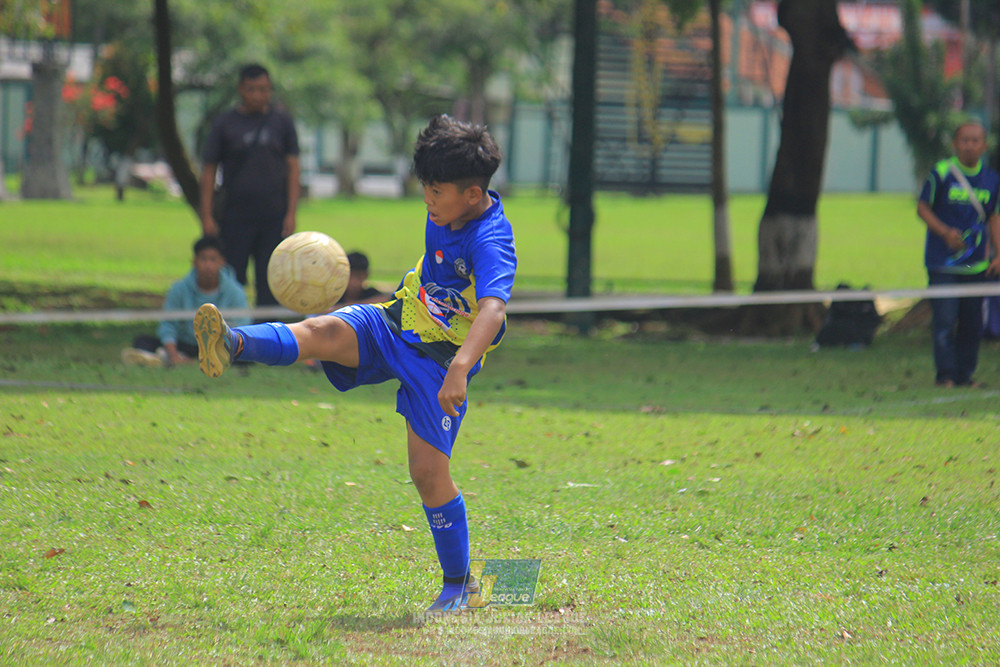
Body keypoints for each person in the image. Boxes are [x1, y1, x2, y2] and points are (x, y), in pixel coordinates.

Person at [192, 115, 515, 612]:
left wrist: (460, 368)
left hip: (441, 360)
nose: (427, 199)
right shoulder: (447, 208)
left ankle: (460, 584)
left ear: (473, 195)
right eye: (425, 186)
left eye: (436, 190)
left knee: (427, 474)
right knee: (323, 330)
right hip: (399, 320)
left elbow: (493, 308)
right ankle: (232, 343)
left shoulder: (490, 240)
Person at [199, 63, 300, 307]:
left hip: (274, 216)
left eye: (264, 89)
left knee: (272, 282)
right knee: (232, 279)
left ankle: (267, 339)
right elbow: (209, 169)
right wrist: (207, 216)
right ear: (241, 89)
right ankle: (231, 337)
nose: (258, 95)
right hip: (235, 216)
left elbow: (293, 167)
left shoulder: (282, 122)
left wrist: (291, 212)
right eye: (252, 89)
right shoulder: (225, 123)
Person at [917, 119, 1000, 387]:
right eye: (964, 140)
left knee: (972, 324)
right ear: (955, 144)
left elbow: (994, 218)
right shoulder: (941, 173)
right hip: (942, 263)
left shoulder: (992, 180)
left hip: (976, 266)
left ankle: (965, 374)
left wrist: (998, 253)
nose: (969, 146)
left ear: (984, 146)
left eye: (975, 141)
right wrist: (944, 232)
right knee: (944, 320)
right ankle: (946, 375)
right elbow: (922, 208)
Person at [122, 236, 250, 367]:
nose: (208, 265)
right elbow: (168, 325)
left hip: (219, 347)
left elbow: (241, 327)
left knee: (246, 354)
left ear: (222, 262)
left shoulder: (235, 292)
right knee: (143, 341)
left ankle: (161, 357)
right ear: (194, 262)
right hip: (185, 344)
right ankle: (169, 356)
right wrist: (174, 355)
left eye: (213, 259)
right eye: (203, 259)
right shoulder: (179, 289)